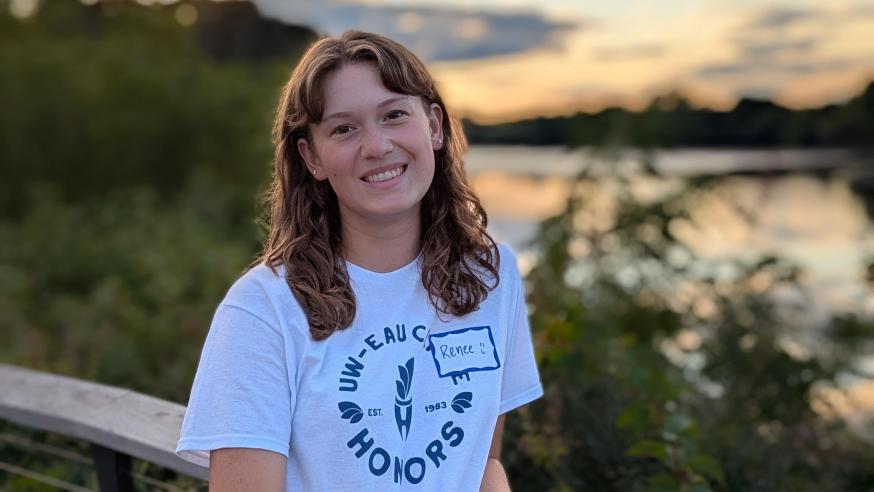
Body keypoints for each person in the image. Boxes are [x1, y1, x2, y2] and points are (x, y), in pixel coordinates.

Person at [175, 30, 542, 491]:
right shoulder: (262, 310)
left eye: (393, 115)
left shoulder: (490, 277)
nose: (377, 146)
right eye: (344, 129)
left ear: (434, 126)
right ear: (312, 156)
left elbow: (479, 462)